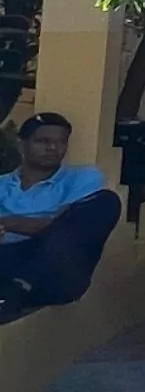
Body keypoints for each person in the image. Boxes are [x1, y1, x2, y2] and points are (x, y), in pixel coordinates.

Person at [0, 112, 123, 322]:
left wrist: (7, 222)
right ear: (21, 145)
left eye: (61, 142)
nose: (53, 148)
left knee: (106, 201)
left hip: (55, 269)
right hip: (8, 260)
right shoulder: (2, 184)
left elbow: (63, 227)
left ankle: (18, 287)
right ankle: (12, 292)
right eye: (43, 141)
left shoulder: (82, 178)